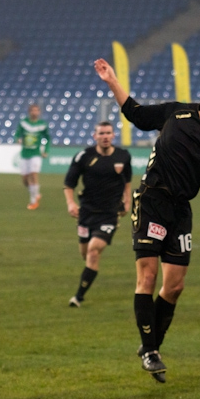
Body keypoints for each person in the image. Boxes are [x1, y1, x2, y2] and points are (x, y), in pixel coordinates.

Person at [94, 57, 200, 383]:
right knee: (147, 278)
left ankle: (151, 345)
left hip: (180, 209)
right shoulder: (178, 112)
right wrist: (111, 80)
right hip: (152, 200)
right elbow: (136, 114)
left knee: (174, 286)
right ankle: (150, 351)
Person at [64, 121, 132, 308]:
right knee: (86, 254)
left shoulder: (123, 156)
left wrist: (127, 201)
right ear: (95, 136)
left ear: (113, 135)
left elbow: (127, 181)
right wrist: (71, 203)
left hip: (110, 214)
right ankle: (88, 278)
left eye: (108, 133)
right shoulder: (83, 157)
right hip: (86, 213)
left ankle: (78, 297)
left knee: (93, 251)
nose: (105, 136)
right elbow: (69, 184)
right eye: (101, 133)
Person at [14, 104, 51, 210]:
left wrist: (46, 150)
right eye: (32, 110)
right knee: (25, 180)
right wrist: (18, 139)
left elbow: (47, 138)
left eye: (36, 110)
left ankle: (33, 201)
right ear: (29, 112)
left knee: (33, 175)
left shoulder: (42, 124)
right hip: (25, 153)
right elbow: (17, 134)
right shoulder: (24, 123)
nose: (34, 112)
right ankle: (36, 193)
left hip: (36, 154)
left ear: (39, 112)